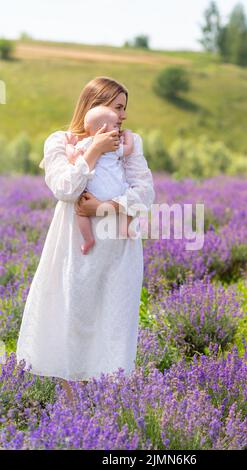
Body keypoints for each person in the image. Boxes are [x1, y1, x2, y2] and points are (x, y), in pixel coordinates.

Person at [16, 76, 155, 404]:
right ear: (96, 106)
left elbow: (145, 193)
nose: (122, 116)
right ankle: (73, 407)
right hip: (75, 250)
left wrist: (102, 207)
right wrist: (93, 150)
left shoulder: (130, 143)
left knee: (114, 320)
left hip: (120, 250)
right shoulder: (59, 141)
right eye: (117, 107)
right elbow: (65, 189)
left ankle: (107, 408)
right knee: (74, 318)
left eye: (125, 109)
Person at [66, 104, 135, 254]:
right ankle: (126, 228)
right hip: (116, 190)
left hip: (94, 193)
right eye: (115, 126)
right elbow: (129, 149)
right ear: (103, 129)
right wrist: (128, 135)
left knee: (81, 212)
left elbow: (73, 157)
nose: (118, 129)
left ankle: (88, 239)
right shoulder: (114, 144)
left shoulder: (85, 144)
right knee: (128, 201)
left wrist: (69, 146)